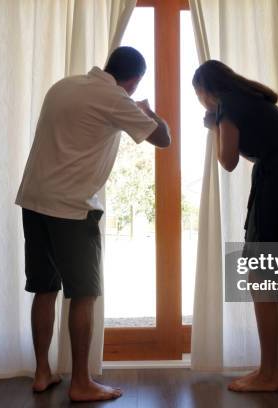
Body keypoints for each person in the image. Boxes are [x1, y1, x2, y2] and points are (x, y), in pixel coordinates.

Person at [15, 46, 171, 402]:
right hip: (71, 208)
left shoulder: (64, 86)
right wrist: (146, 110)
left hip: (34, 200)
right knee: (84, 294)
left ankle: (42, 373)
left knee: (44, 287)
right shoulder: (116, 99)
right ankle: (81, 382)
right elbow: (164, 139)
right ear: (133, 81)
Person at [192, 60, 278, 392]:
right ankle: (268, 371)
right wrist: (217, 126)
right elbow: (258, 151)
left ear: (205, 90)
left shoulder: (228, 105)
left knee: (261, 281)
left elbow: (228, 161)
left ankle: (269, 374)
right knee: (268, 284)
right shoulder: (250, 100)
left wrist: (215, 126)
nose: (202, 103)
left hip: (276, 193)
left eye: (199, 96)